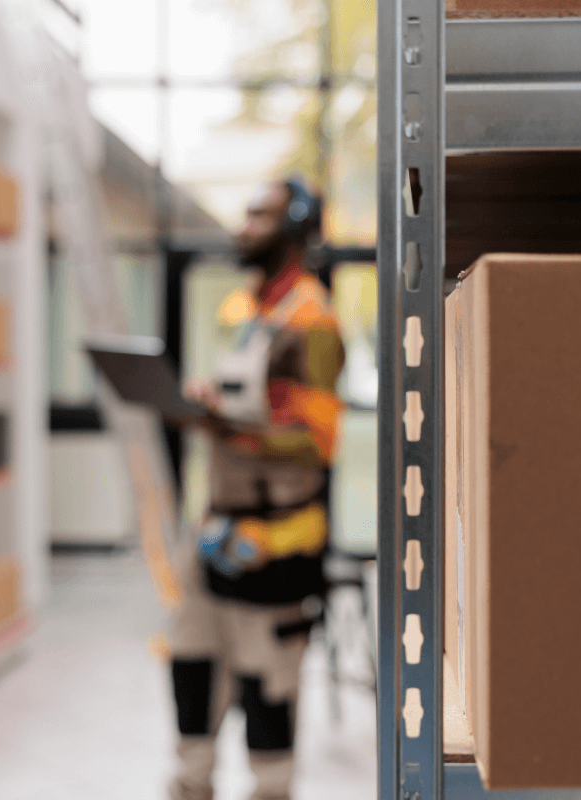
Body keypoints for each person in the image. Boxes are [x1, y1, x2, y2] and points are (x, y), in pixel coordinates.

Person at [168, 178, 346, 800]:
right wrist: (206, 406)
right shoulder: (252, 313)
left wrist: (229, 430)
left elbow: (316, 442)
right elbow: (254, 406)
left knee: (267, 690)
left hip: (275, 541)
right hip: (218, 528)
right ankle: (191, 782)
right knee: (191, 663)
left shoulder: (313, 323)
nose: (242, 226)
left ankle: (270, 790)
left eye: (259, 216)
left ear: (296, 228)